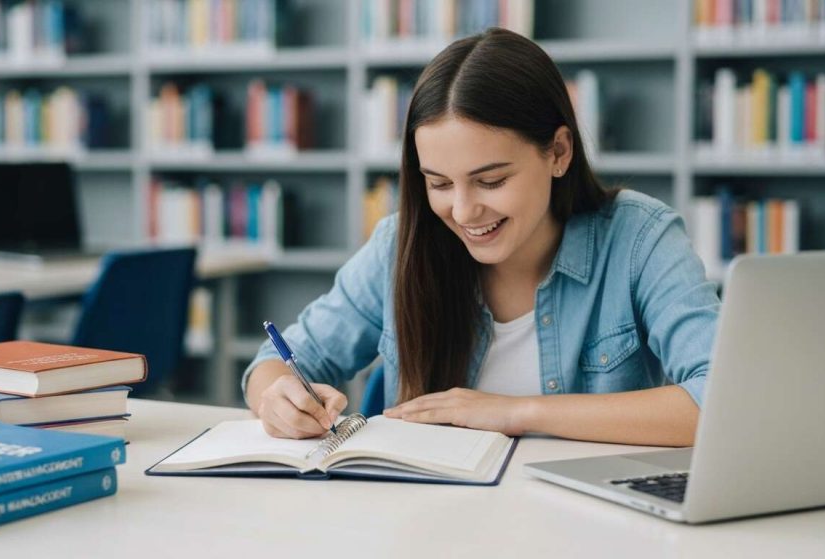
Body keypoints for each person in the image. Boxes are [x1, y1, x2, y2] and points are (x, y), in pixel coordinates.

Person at [242, 28, 720, 447]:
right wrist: (279, 398)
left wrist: (514, 413)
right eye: (440, 183)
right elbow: (274, 363)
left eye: (491, 181)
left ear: (558, 152)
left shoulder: (640, 238)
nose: (465, 211)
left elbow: (722, 396)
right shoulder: (400, 246)